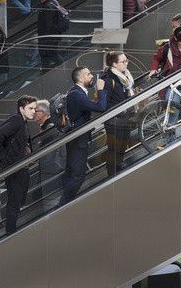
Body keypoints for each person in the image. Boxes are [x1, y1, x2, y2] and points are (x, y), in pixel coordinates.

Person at [58, 66, 109, 205]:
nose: (91, 76)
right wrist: (100, 89)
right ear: (80, 78)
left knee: (71, 172)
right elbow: (101, 107)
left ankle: (64, 204)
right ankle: (62, 206)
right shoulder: (76, 94)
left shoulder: (76, 92)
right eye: (88, 74)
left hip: (77, 139)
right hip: (78, 140)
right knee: (77, 175)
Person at [0, 96, 37, 234]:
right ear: (21, 108)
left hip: (20, 166)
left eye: (35, 108)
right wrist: (2, 152)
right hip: (15, 167)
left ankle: (12, 230)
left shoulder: (22, 122)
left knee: (18, 200)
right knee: (14, 202)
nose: (33, 111)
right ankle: (10, 232)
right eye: (30, 108)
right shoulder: (17, 120)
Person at [100, 50, 135, 178]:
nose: (126, 63)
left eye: (127, 60)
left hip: (124, 119)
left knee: (121, 148)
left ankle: (118, 170)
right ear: (114, 64)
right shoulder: (109, 80)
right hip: (114, 121)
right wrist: (120, 109)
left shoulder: (125, 78)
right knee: (114, 150)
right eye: (123, 61)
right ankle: (112, 177)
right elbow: (104, 103)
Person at [35, 0, 68, 71]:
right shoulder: (55, 2)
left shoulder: (47, 7)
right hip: (55, 35)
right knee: (51, 54)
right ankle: (48, 70)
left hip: (48, 38)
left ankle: (60, 68)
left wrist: (43, 38)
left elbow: (48, 25)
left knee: (49, 54)